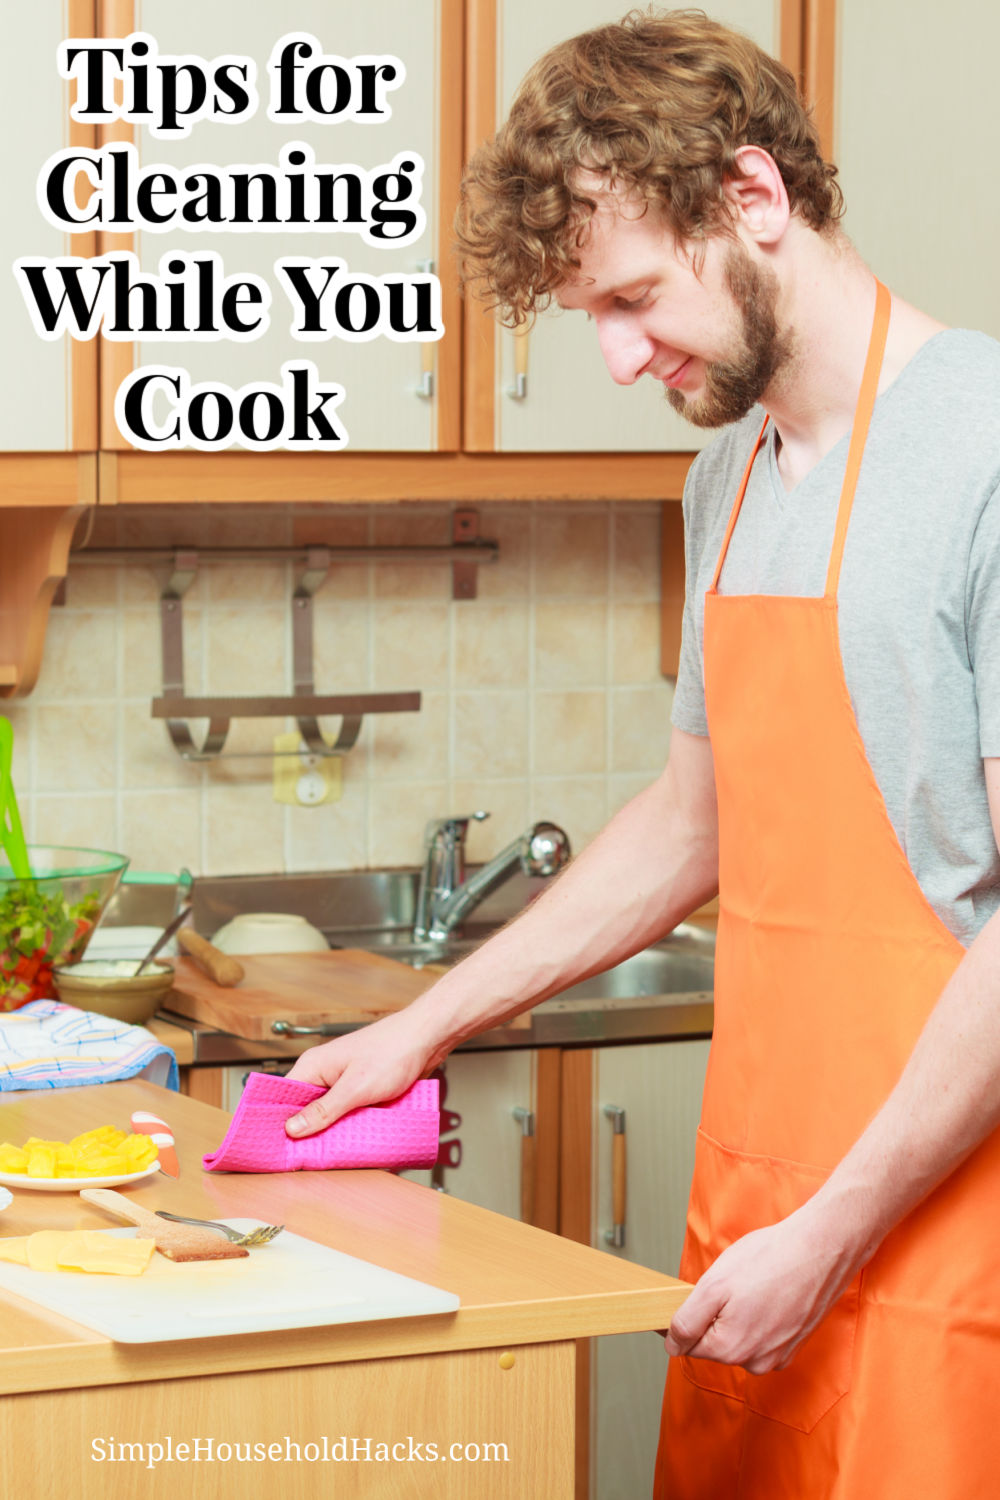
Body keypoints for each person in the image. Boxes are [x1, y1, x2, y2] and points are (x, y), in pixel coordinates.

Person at [285, 10, 1000, 1496]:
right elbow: (692, 828)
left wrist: (840, 1228)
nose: (616, 357)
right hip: (766, 1190)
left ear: (755, 200)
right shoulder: (725, 473)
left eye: (631, 298)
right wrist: (428, 1023)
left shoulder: (985, 454)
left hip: (943, 1213)